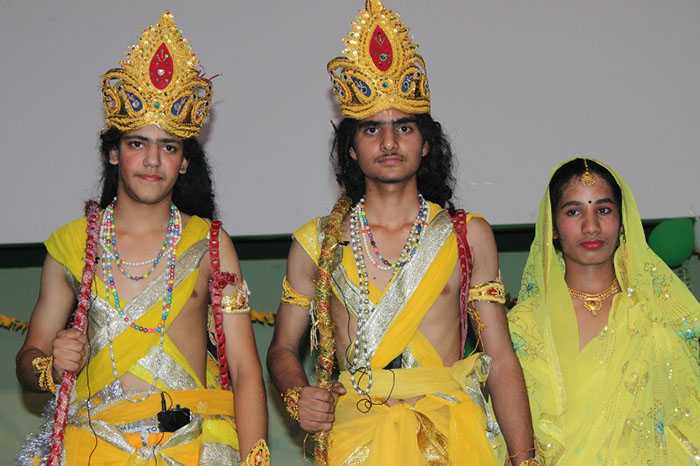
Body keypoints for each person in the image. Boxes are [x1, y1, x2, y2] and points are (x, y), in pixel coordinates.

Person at [267, 1, 538, 464]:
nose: (389, 143)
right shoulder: (315, 242)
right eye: (372, 129)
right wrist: (297, 394)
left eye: (404, 127)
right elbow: (282, 348)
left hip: (451, 441)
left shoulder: (466, 236)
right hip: (356, 441)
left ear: (426, 143)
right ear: (351, 148)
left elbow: (500, 359)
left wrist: (524, 458)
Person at [15, 12, 269, 465]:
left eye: (168, 147)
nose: (153, 160)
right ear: (114, 153)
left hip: (191, 447)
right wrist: (49, 367)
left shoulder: (209, 243)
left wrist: (255, 459)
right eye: (137, 144)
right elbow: (28, 357)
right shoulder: (72, 244)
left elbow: (246, 371)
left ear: (184, 162)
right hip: (93, 450)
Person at [508, 158, 700, 464]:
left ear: (622, 222)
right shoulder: (524, 326)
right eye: (574, 212)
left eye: (604, 210)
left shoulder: (656, 318)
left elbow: (686, 427)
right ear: (552, 227)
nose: (591, 226)